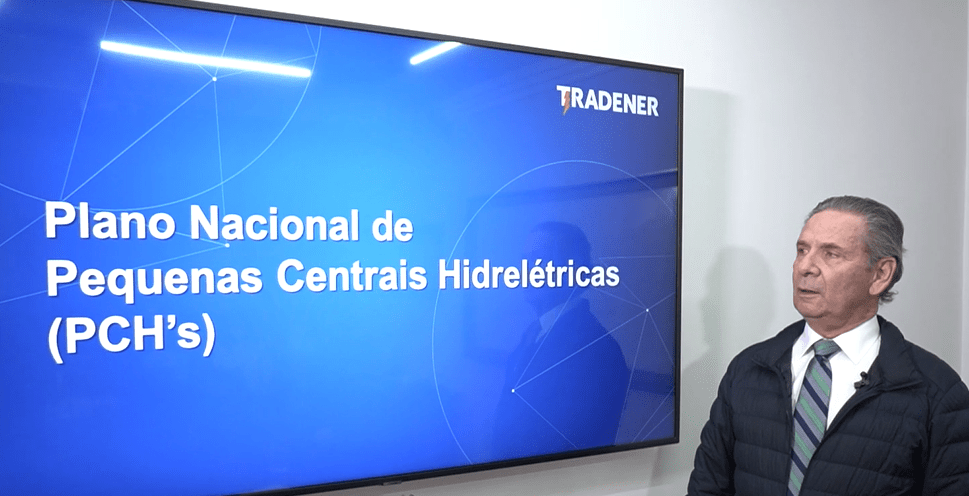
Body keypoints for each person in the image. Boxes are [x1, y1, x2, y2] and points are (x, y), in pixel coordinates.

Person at [687, 196, 969, 495]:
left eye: (831, 254)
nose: (805, 267)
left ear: (880, 274)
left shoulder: (937, 393)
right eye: (802, 250)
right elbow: (708, 487)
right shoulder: (748, 369)